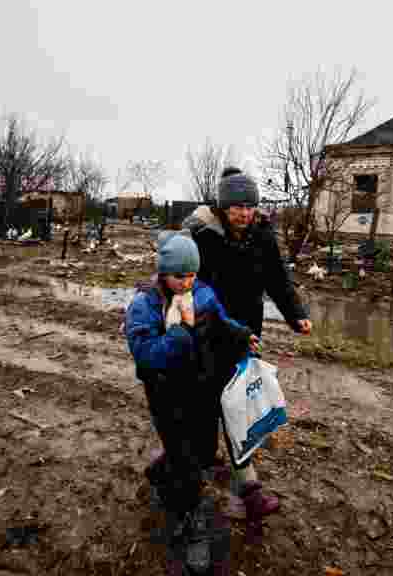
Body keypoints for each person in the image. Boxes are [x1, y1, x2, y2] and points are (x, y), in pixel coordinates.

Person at [181, 166, 313, 531]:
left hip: (246, 338)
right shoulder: (201, 237)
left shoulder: (262, 236)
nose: (244, 212)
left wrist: (295, 315)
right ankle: (186, 471)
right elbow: (183, 285)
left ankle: (247, 489)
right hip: (205, 335)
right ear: (223, 207)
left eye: (250, 206)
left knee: (241, 408)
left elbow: (278, 280)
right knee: (204, 409)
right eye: (237, 206)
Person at [124, 232, 258, 573]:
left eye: (192, 274)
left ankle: (161, 469)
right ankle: (190, 523)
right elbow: (146, 356)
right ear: (163, 272)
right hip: (166, 394)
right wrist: (181, 333)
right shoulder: (146, 305)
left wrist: (241, 336)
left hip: (201, 388)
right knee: (187, 464)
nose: (187, 282)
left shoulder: (203, 294)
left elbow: (221, 324)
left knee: (201, 449)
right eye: (180, 275)